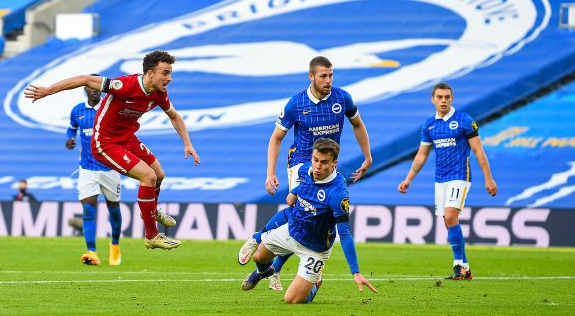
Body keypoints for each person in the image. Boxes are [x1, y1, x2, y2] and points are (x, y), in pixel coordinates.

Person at [25, 50, 200, 250]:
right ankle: (152, 235)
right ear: (150, 73)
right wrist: (48, 90)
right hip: (105, 142)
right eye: (165, 73)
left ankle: (150, 211)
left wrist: (188, 144)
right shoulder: (124, 85)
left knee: (159, 174)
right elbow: (85, 79)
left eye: (170, 73)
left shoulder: (159, 94)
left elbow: (175, 116)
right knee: (148, 176)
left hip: (127, 138)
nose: (169, 78)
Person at [238, 56, 372, 291]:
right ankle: (258, 239)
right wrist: (270, 173)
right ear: (311, 77)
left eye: (331, 75)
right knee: (299, 211)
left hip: (326, 165)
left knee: (309, 221)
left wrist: (368, 155)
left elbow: (358, 124)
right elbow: (276, 138)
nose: (328, 80)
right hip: (301, 164)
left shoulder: (342, 99)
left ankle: (272, 268)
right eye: (323, 76)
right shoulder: (296, 104)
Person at [241, 138, 377, 303]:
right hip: (292, 231)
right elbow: (307, 183)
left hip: (315, 249)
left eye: (324, 162)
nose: (318, 166)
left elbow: (345, 233)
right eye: (315, 160)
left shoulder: (338, 194)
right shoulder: (305, 170)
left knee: (292, 300)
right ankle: (263, 272)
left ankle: (315, 283)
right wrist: (295, 191)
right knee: (258, 257)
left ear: (335, 163)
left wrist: (355, 271)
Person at [397, 82, 497, 280]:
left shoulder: (464, 120)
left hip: (460, 175)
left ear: (452, 99)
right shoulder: (429, 125)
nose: (443, 100)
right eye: (440, 97)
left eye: (447, 97)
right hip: (440, 178)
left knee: (451, 217)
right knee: (449, 221)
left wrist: (489, 179)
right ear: (433, 99)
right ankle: (466, 269)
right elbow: (421, 155)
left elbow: (478, 151)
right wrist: (408, 179)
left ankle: (458, 266)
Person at [65, 78, 123, 266]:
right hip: (87, 168)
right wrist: (69, 139)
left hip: (110, 167)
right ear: (85, 90)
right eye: (91, 87)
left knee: (113, 209)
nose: (95, 90)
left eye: (98, 87)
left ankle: (115, 244)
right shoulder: (77, 111)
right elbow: (71, 129)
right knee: (88, 209)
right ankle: (92, 251)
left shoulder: (110, 108)